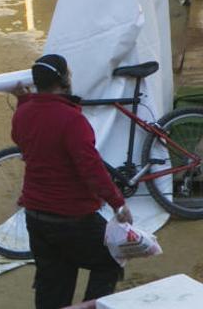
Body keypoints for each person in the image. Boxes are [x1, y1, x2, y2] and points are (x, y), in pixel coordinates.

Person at [10, 54, 132, 309]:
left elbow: (23, 138)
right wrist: (118, 203)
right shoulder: (73, 120)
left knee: (53, 281)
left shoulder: (23, 114)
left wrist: (23, 100)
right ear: (64, 80)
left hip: (36, 216)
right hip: (74, 217)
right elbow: (91, 167)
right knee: (111, 258)